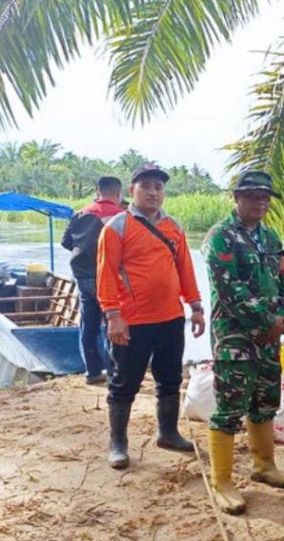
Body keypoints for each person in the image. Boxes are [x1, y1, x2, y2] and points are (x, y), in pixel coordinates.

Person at [97, 163, 205, 469]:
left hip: (171, 318)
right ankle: (118, 443)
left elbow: (185, 268)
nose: (153, 192)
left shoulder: (174, 226)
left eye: (158, 187)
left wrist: (195, 306)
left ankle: (168, 433)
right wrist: (113, 315)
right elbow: (104, 274)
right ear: (132, 191)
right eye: (146, 186)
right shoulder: (116, 227)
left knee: (170, 378)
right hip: (132, 320)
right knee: (124, 382)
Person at [201, 170, 284, 516]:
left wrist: (281, 319)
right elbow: (228, 290)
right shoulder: (220, 237)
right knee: (229, 407)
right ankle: (222, 480)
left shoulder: (270, 236)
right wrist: (267, 321)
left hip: (270, 338)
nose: (261, 202)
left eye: (265, 196)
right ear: (236, 198)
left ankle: (264, 466)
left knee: (265, 401)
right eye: (253, 195)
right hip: (235, 337)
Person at [61, 176, 126, 385]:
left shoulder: (79, 213)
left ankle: (92, 372)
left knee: (88, 324)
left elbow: (66, 242)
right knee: (112, 322)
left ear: (98, 192)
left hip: (82, 275)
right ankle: (115, 373)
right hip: (107, 277)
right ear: (118, 194)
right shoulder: (121, 216)